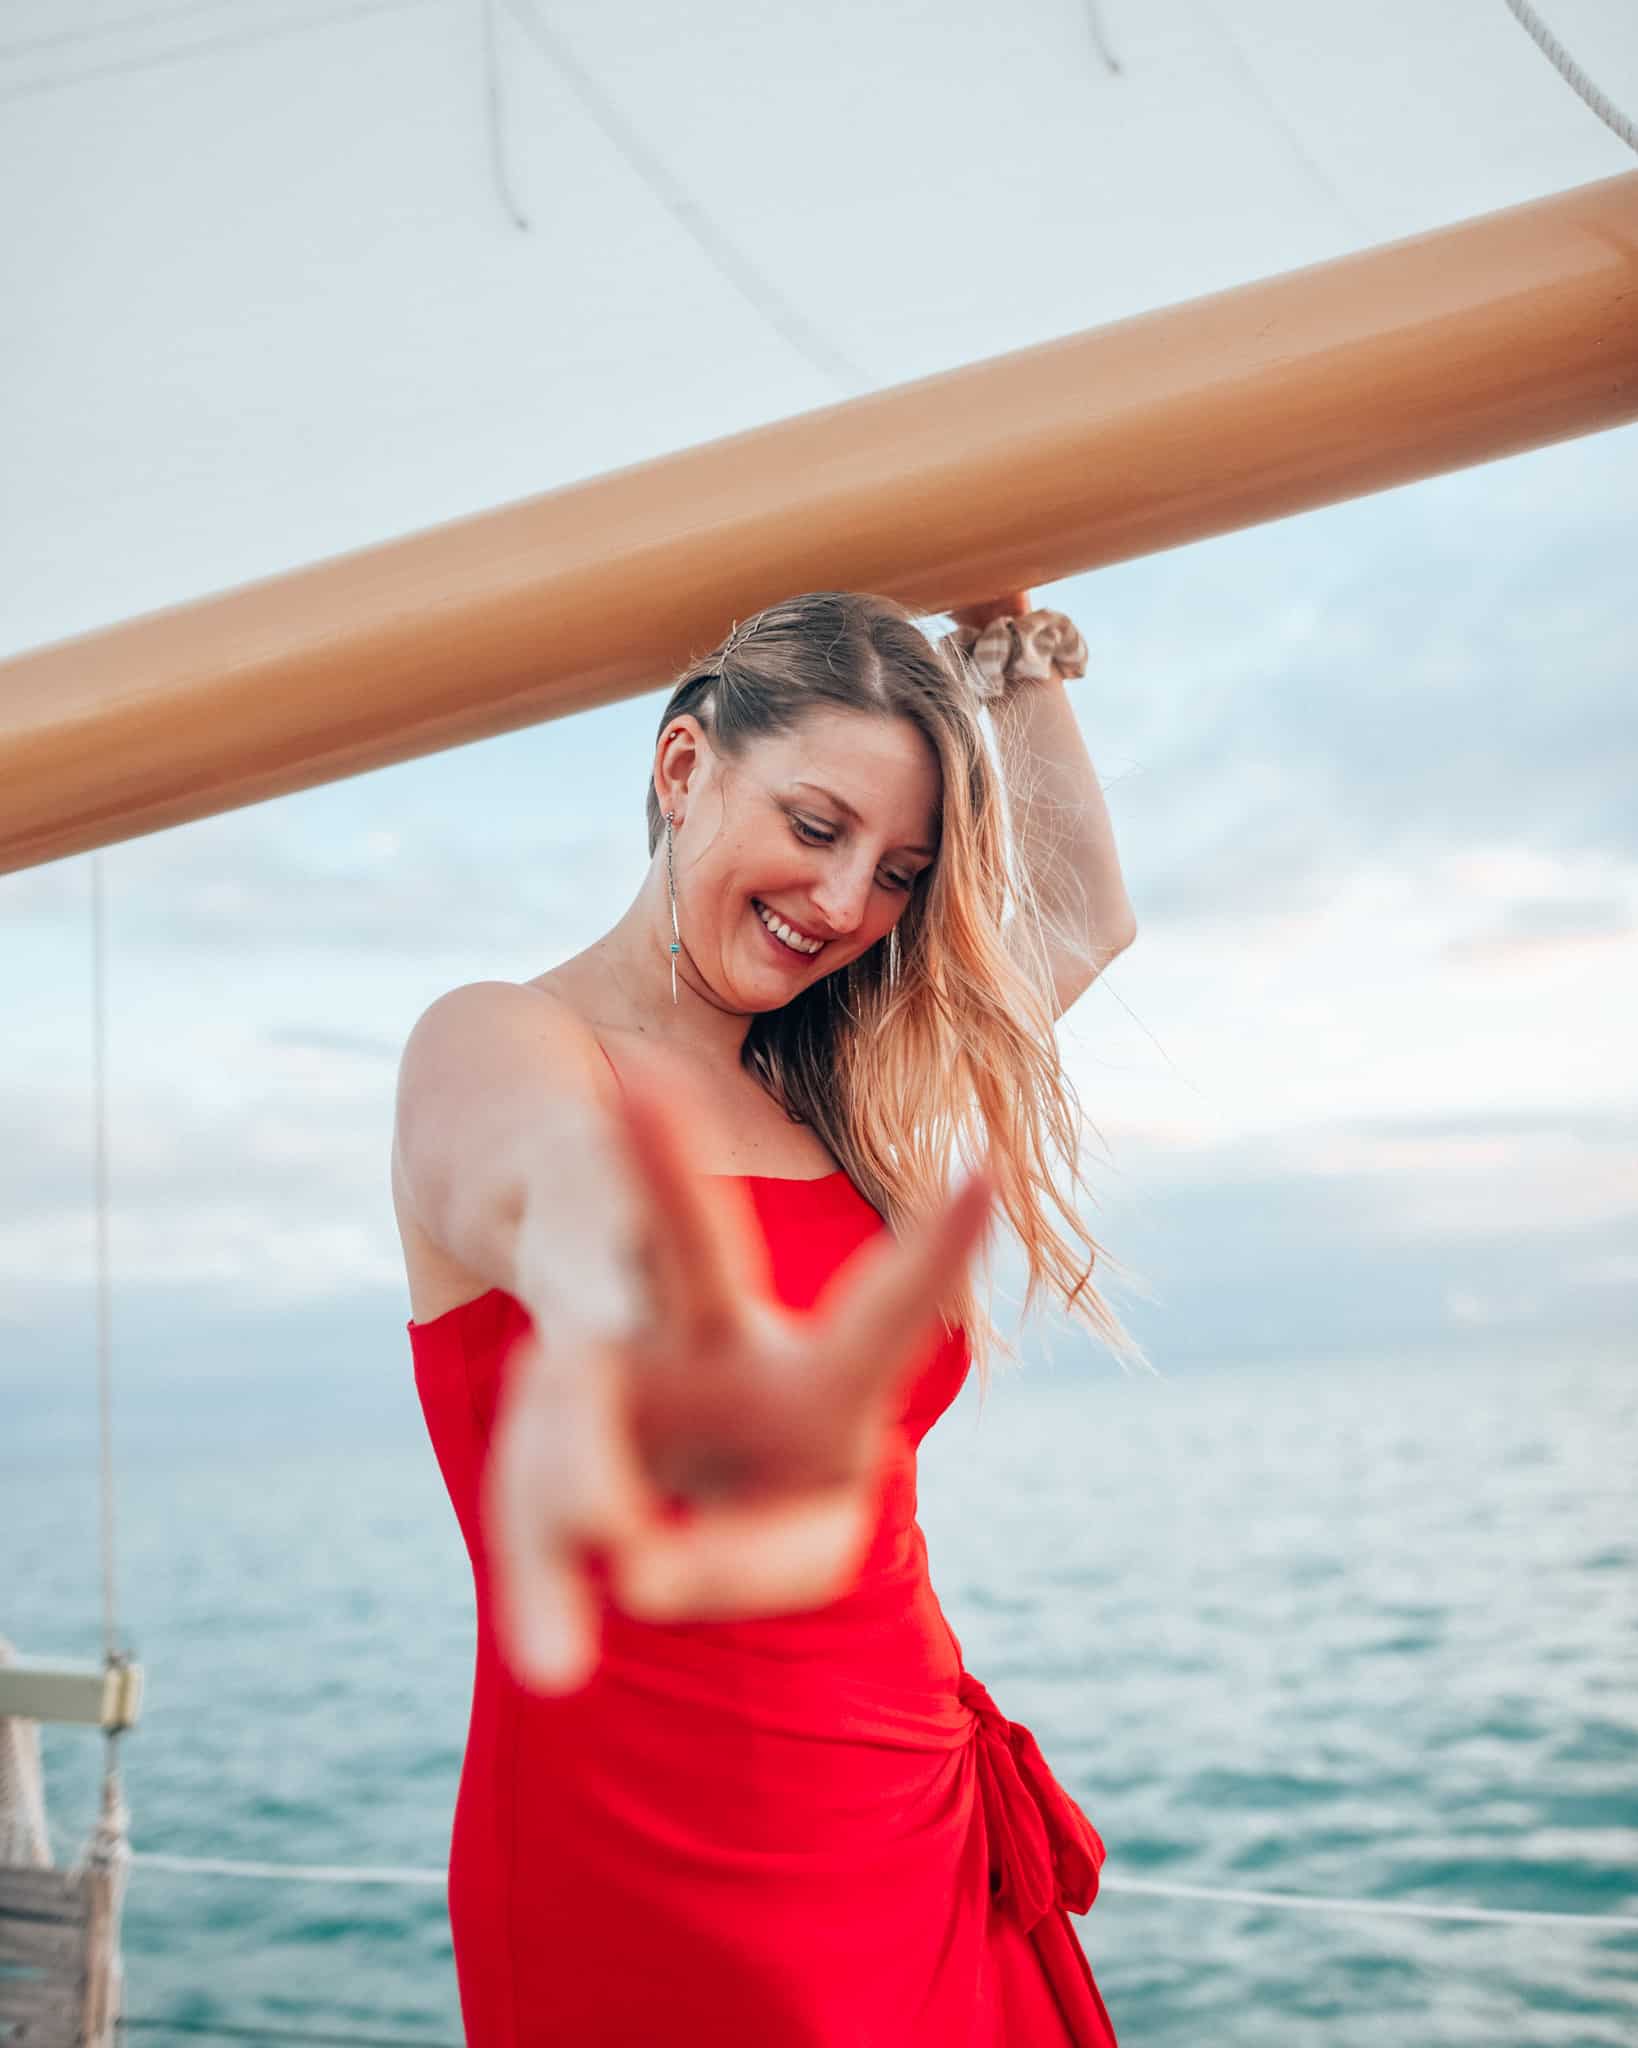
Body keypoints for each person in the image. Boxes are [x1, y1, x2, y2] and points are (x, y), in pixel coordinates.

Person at [393, 589, 1142, 2045]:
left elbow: (1080, 917)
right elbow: (561, 1204)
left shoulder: (840, 1089)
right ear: (683, 771)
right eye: (815, 827)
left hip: (911, 1816)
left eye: (900, 872)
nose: (849, 903)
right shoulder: (496, 1038)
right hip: (644, 1856)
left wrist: (1001, 626)